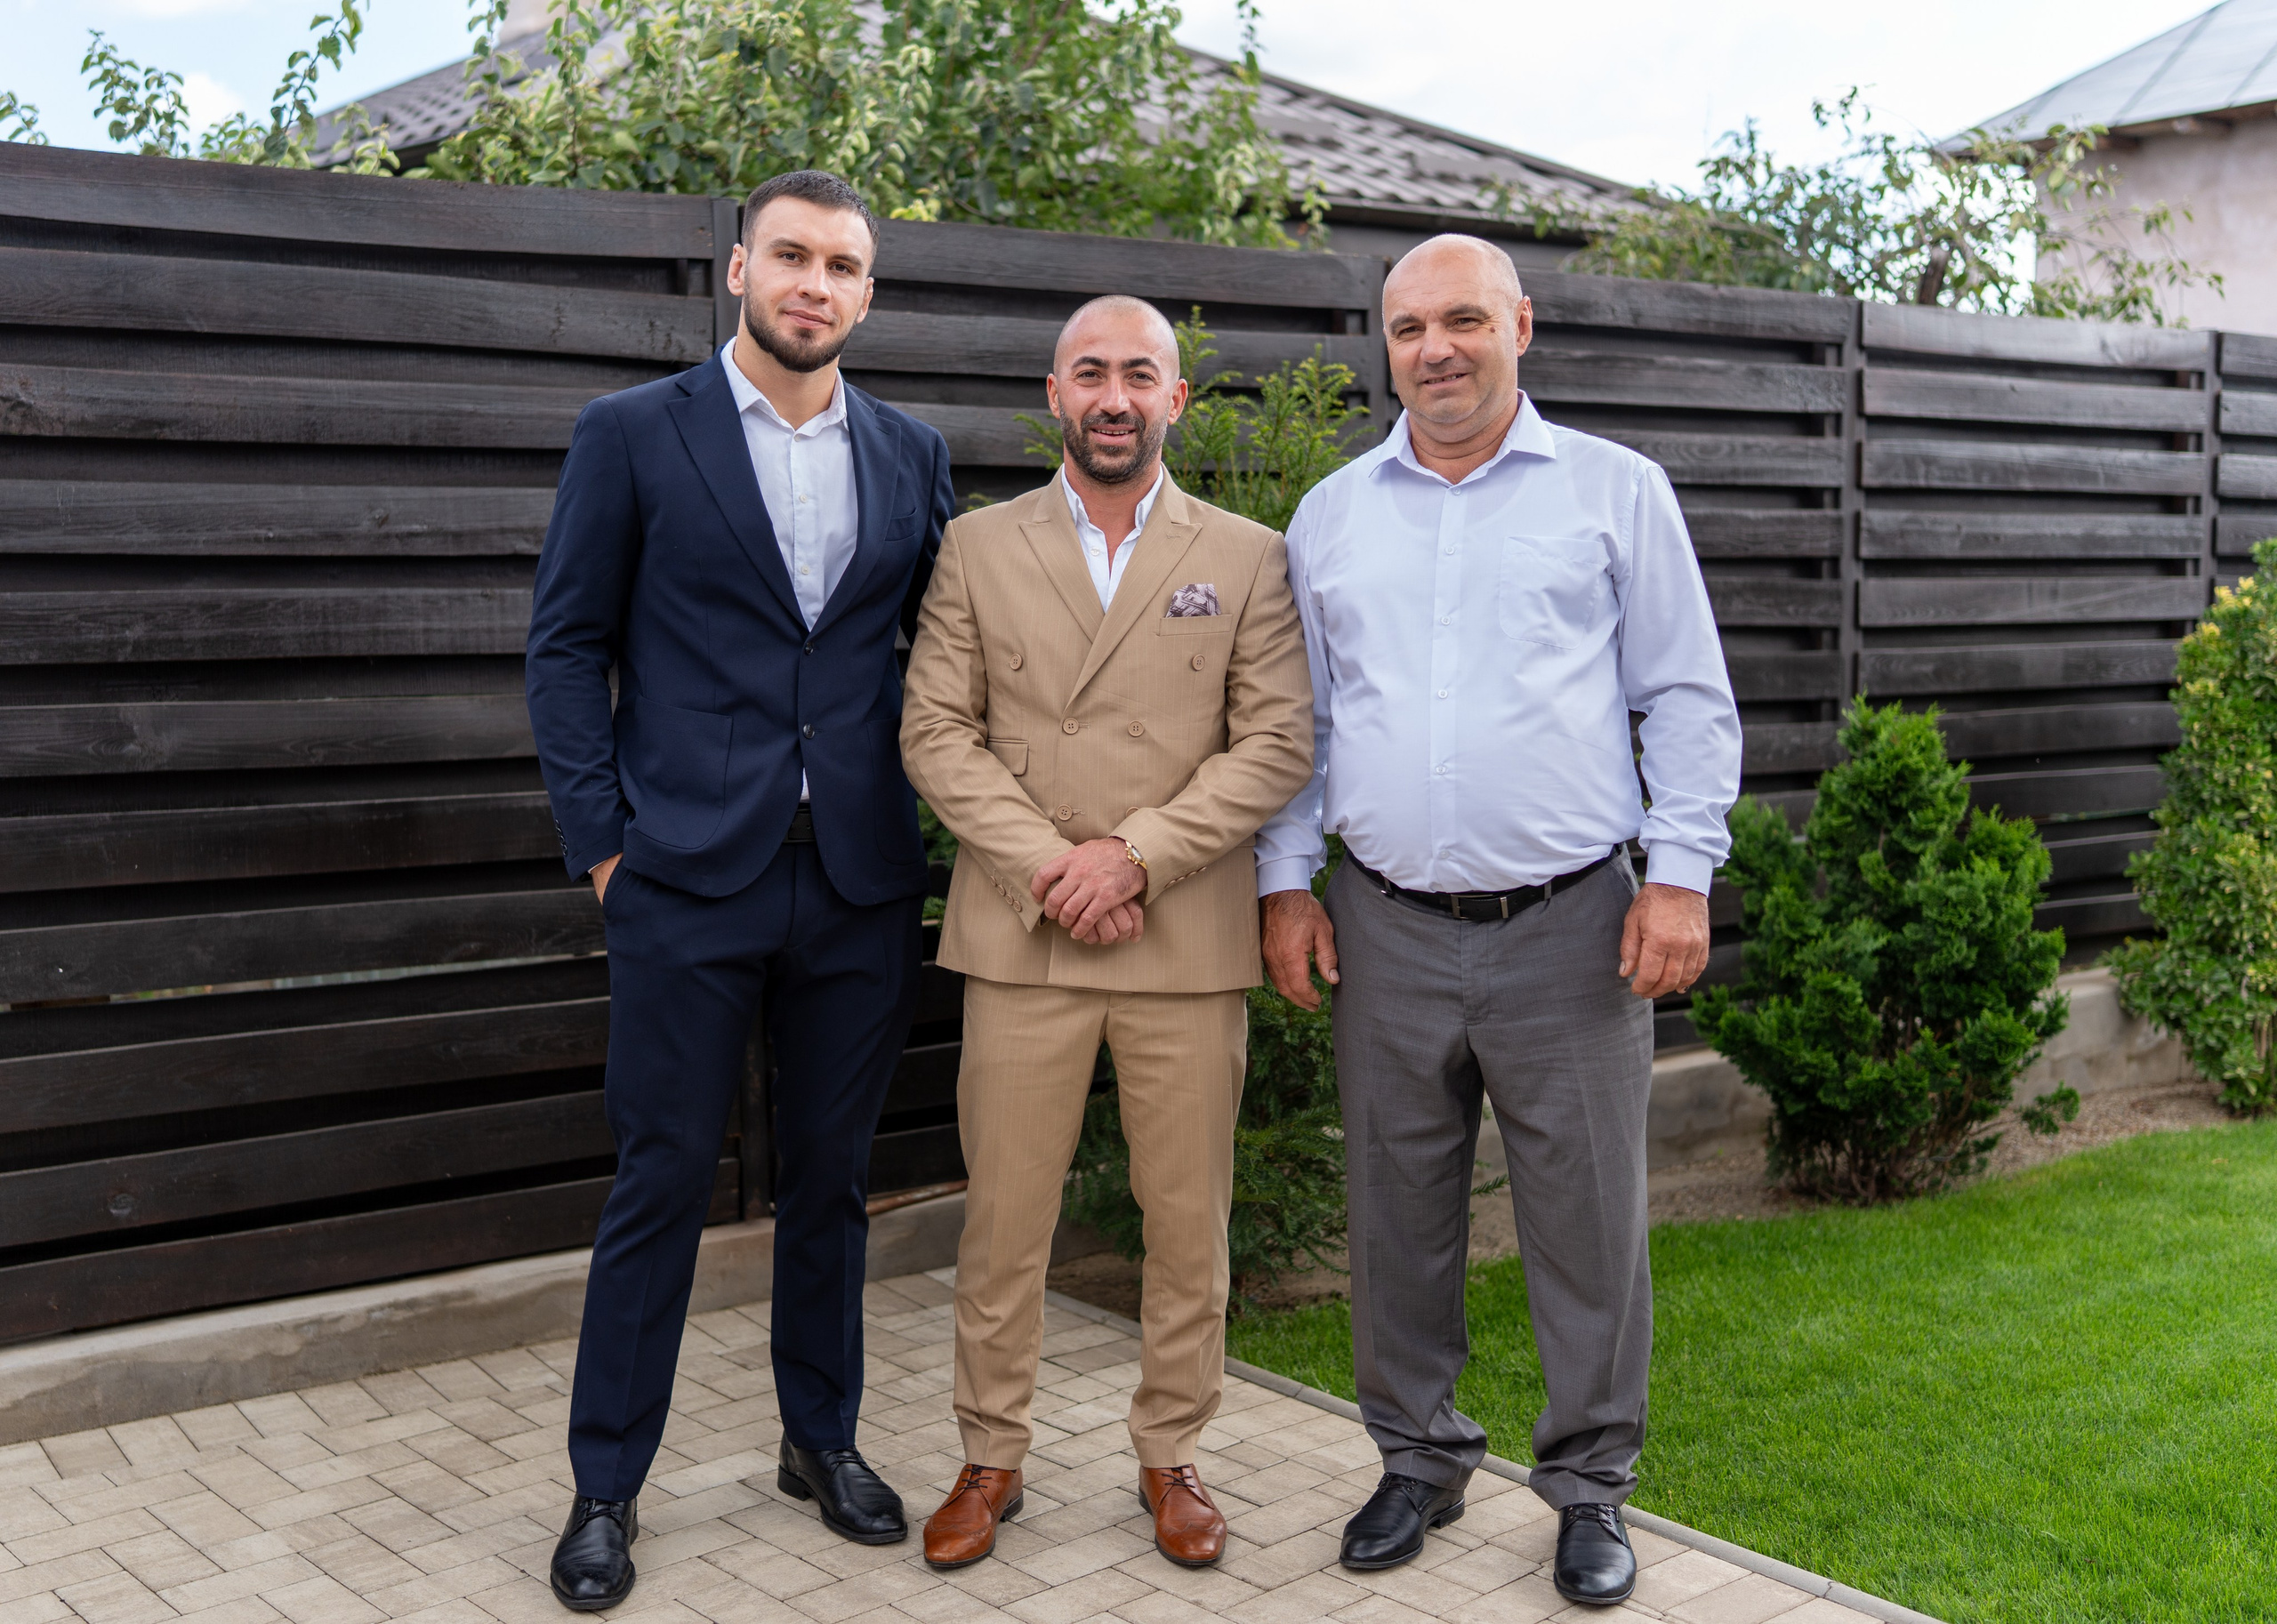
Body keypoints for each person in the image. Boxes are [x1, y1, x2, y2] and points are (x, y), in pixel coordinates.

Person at [1253, 235, 1742, 1609]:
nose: (1437, 349)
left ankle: (1589, 1489)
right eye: (1409, 328)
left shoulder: (1613, 492)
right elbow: (1308, 726)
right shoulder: (1332, 514)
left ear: (1520, 323)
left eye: (1464, 319)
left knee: (1588, 1220)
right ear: (1385, 343)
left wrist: (1682, 870)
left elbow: (1685, 698)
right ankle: (1418, 1456)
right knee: (1393, 1211)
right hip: (1385, 922)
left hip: (1573, 926)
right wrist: (1284, 881)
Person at [525, 170, 954, 1613]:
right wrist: (605, 846)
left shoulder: (910, 452)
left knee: (833, 1183)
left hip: (858, 881)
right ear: (738, 269)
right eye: (792, 256)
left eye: (843, 264)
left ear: (868, 293)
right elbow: (564, 647)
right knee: (658, 1180)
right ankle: (605, 1487)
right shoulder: (632, 436)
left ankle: (818, 1438)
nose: (815, 284)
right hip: (684, 879)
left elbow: (932, 660)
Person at [898, 294, 1313, 1572]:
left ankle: (1172, 1453)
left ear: (1177, 398)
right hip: (1025, 932)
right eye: (1093, 372)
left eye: (1142, 372)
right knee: (1003, 1217)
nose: (1116, 393)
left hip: (1180, 933)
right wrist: (1053, 866)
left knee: (1187, 1219)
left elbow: (1280, 742)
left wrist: (1132, 855)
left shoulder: (1248, 554)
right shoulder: (976, 546)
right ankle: (990, 1452)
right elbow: (933, 733)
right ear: (1057, 393)